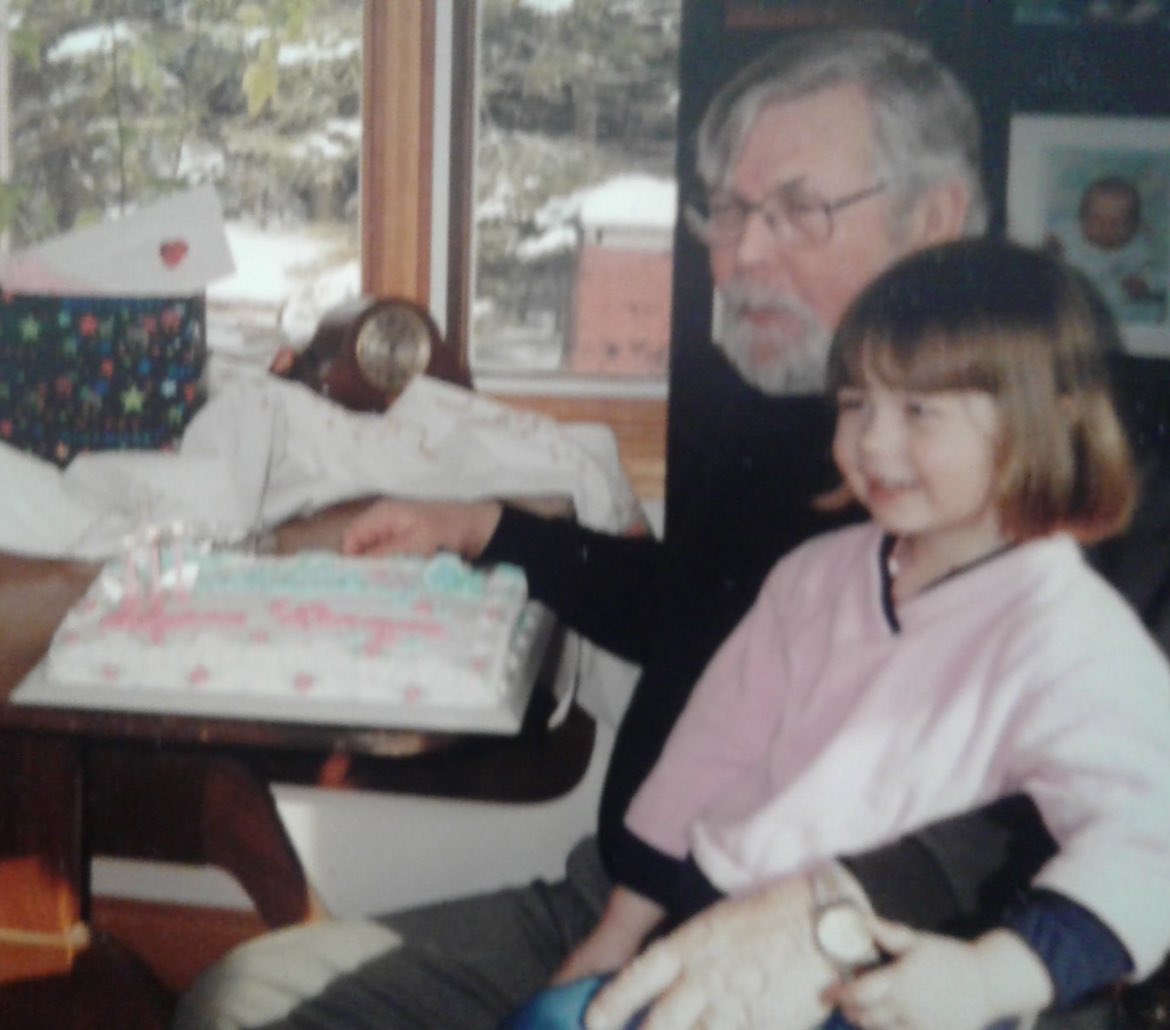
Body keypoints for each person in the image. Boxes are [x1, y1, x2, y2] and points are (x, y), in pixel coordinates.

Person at [174, 28, 1131, 1029]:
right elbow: (694, 623)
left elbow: (1088, 802)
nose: (740, 253)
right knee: (247, 1001)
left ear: (933, 218)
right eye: (725, 209)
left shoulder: (1074, 470)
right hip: (642, 897)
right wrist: (489, 529)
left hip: (881, 956)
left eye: (797, 210)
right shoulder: (783, 408)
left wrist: (821, 910)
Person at [501, 239, 1170, 1030]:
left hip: (882, 983)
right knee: (551, 1019)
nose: (873, 444)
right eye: (857, 404)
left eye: (920, 411)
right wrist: (618, 930)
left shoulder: (1068, 634)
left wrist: (994, 977)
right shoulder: (815, 576)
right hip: (712, 925)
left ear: (1043, 421)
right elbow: (710, 748)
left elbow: (1146, 844)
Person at [1044, 175, 1166, 324]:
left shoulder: (1138, 248)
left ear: (1134, 225)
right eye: (1097, 219)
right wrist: (1052, 248)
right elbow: (1046, 238)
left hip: (1118, 310)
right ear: (1081, 217)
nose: (1106, 228)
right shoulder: (1069, 231)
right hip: (1075, 302)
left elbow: (1158, 273)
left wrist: (1146, 283)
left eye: (1117, 223)